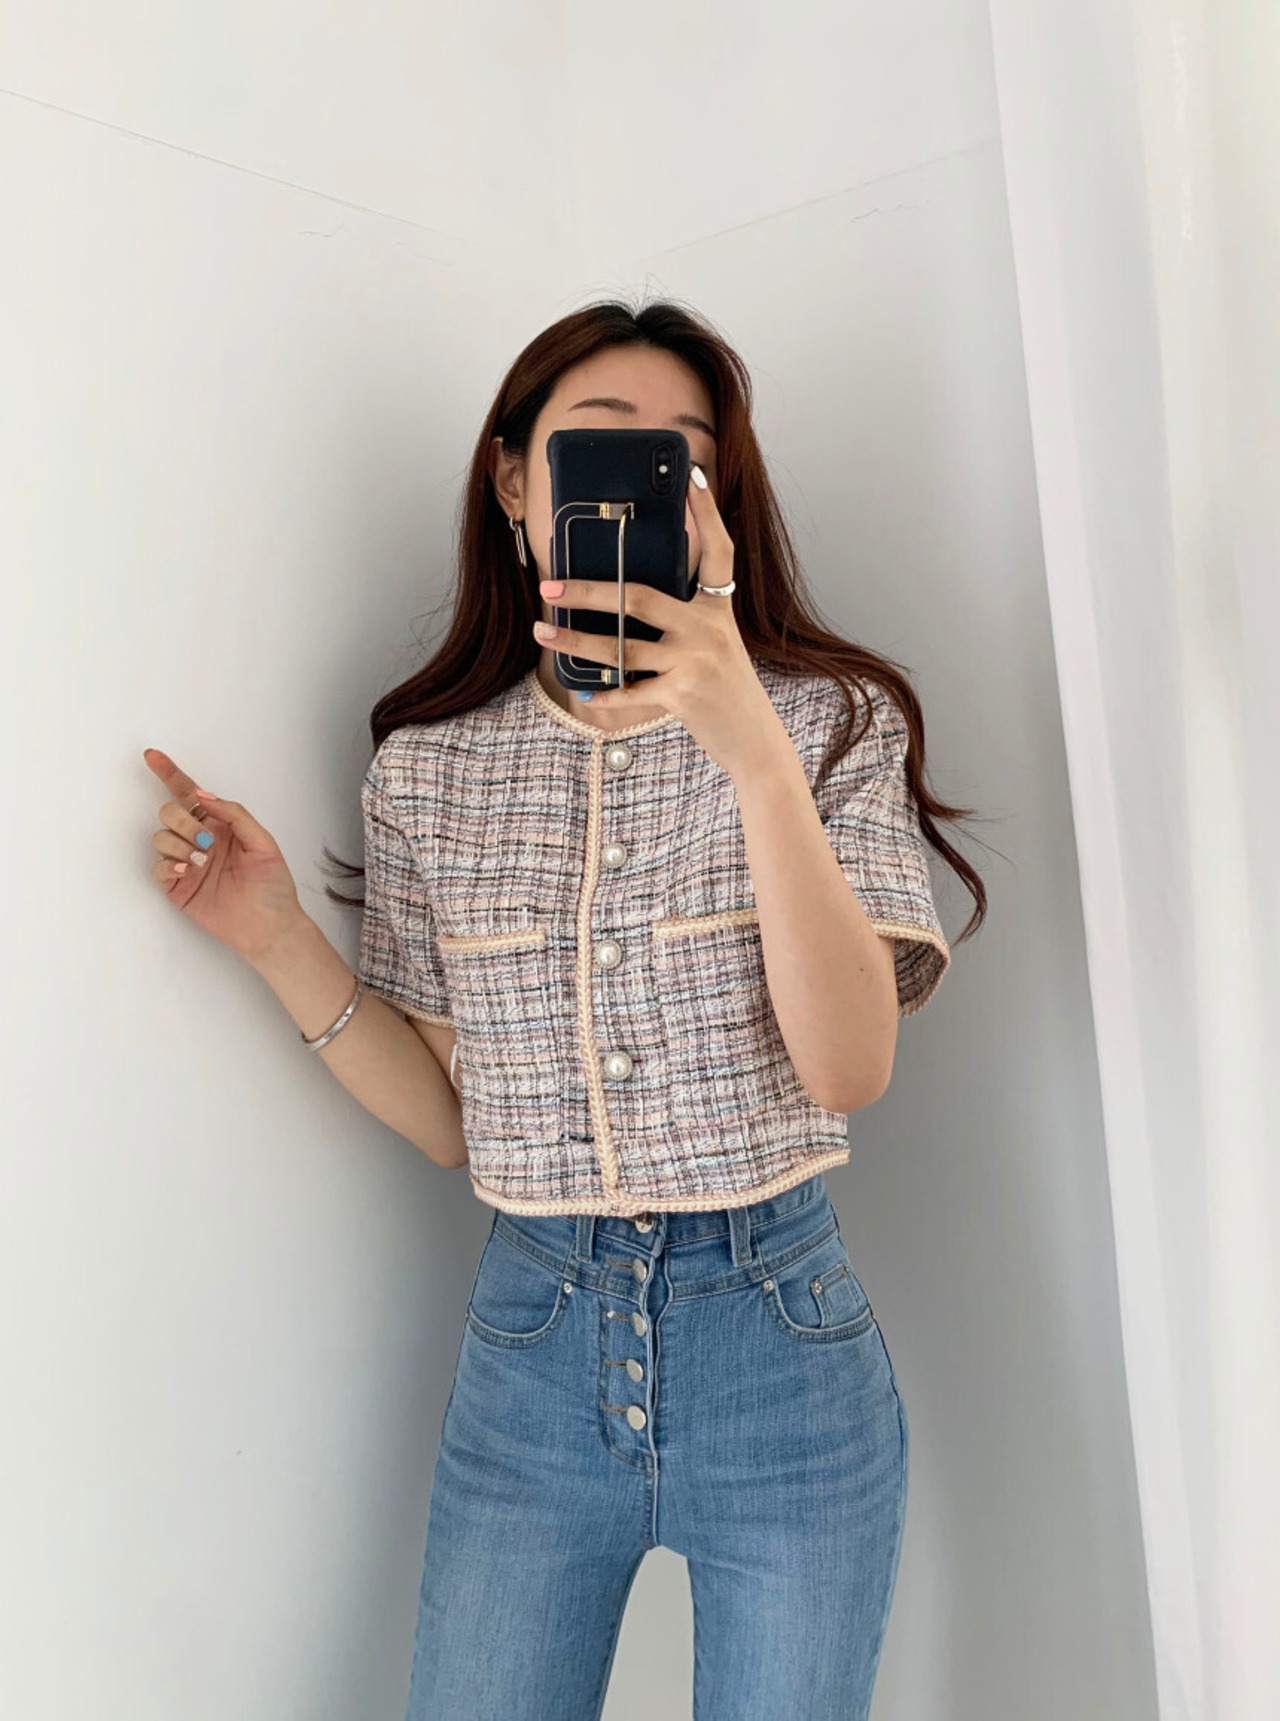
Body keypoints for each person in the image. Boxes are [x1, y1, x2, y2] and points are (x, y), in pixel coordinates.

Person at [143, 298, 986, 1720]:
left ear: (717, 505)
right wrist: (276, 935)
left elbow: (850, 1066)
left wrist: (750, 749)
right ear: (515, 484)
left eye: (685, 458)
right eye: (599, 449)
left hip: (781, 1349)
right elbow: (455, 1123)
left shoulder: (831, 722)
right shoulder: (429, 768)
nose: (648, 483)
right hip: (528, 1351)